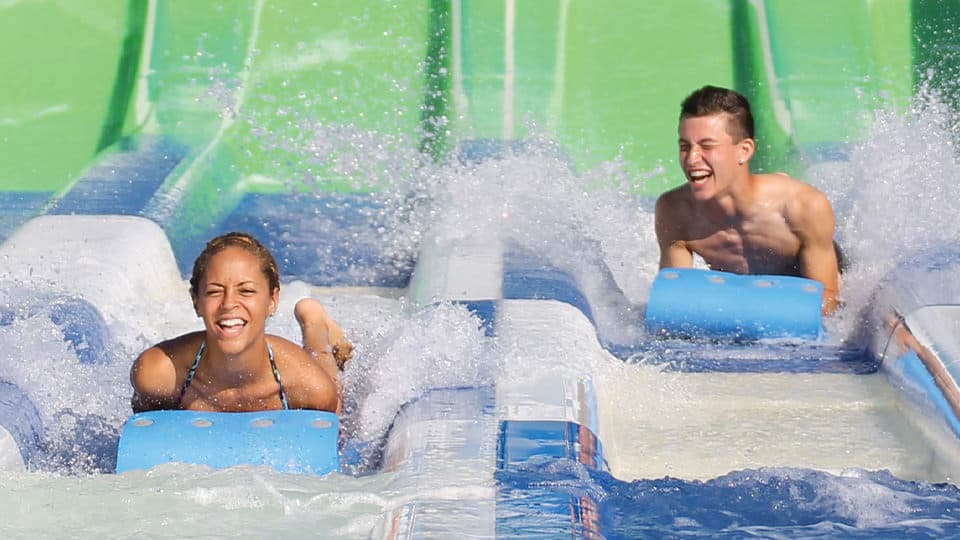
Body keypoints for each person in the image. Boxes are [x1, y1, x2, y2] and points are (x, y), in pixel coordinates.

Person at [654, 85, 841, 314]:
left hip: (822, 276)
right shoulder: (675, 211)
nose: (692, 159)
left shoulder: (803, 207)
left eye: (706, 146)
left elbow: (828, 303)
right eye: (685, 147)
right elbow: (676, 304)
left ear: (744, 150)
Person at [130, 232, 354, 413]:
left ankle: (313, 320)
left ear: (272, 301)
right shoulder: (158, 374)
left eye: (246, 291)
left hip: (301, 371)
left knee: (323, 368)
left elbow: (331, 441)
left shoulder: (307, 386)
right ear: (196, 301)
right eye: (214, 291)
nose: (228, 304)